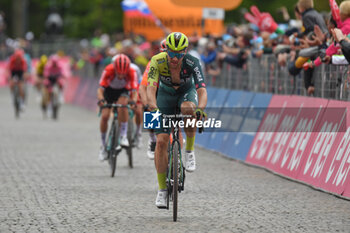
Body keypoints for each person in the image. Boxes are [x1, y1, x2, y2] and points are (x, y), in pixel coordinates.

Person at [147, 32, 207, 208]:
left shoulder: (192, 62)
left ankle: (189, 150)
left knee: (188, 109)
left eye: (179, 54)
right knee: (160, 142)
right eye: (171, 53)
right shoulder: (157, 60)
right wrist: (153, 107)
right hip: (164, 96)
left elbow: (202, 89)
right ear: (166, 50)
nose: (174, 58)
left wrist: (201, 110)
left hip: (185, 93)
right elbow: (150, 89)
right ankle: (162, 190)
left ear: (185, 52)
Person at [97, 54, 138, 161]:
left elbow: (134, 91)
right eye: (118, 73)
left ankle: (123, 135)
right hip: (109, 92)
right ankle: (102, 146)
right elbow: (100, 90)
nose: (120, 75)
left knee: (123, 105)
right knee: (105, 116)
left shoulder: (132, 71)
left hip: (122, 91)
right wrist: (101, 100)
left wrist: (133, 101)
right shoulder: (108, 70)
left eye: (123, 73)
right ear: (114, 68)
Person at [139, 39, 167, 159]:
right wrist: (146, 103)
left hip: (170, 92)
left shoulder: (181, 62)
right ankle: (152, 140)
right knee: (149, 108)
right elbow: (143, 86)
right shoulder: (153, 63)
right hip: (155, 90)